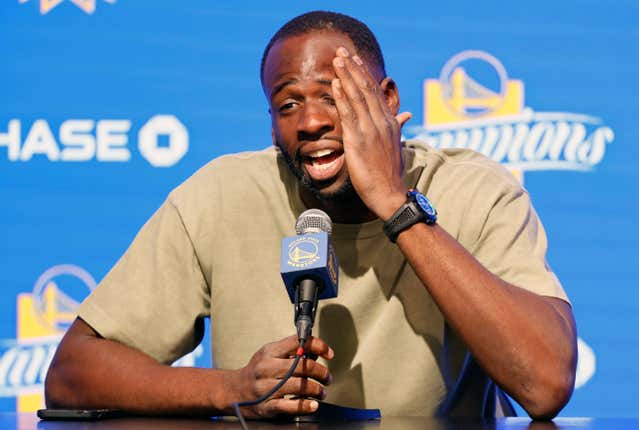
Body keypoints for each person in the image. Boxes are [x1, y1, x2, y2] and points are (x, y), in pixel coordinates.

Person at [44, 11, 577, 420]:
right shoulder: (221, 194)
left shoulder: (472, 190)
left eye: (333, 96)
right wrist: (232, 390)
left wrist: (395, 203)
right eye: (289, 104)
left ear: (387, 101)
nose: (313, 121)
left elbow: (545, 383)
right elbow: (72, 371)